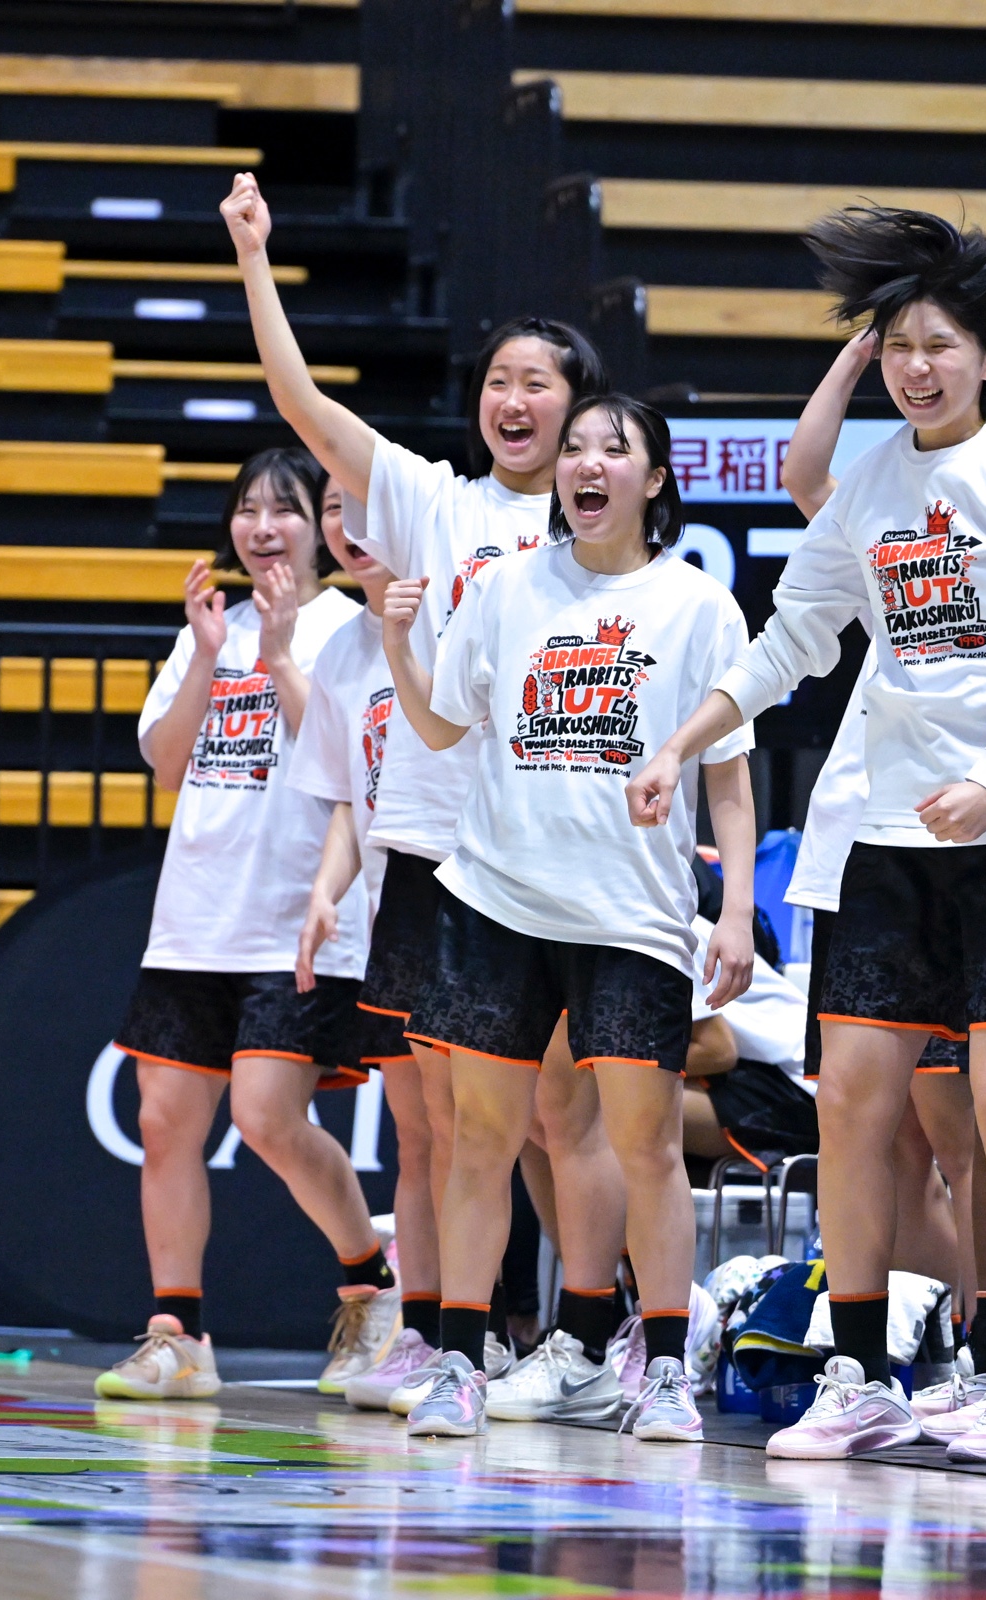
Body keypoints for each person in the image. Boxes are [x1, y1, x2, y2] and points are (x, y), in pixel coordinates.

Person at [630, 207, 986, 1462]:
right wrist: (687, 736)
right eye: (898, 345)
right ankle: (858, 1372)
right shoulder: (868, 490)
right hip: (890, 844)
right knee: (852, 1095)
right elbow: (793, 636)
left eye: (939, 345)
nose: (916, 366)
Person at [224, 171, 612, 1376]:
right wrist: (254, 256)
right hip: (429, 854)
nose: (513, 398)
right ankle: (448, 1341)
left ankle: (596, 1334)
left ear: (579, 409)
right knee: (433, 1122)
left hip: (552, 857)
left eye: (536, 382)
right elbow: (299, 402)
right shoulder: (433, 501)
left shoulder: (603, 531)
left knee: (557, 1113)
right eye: (498, 379)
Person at [389, 394, 760, 1444]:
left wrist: (735, 909)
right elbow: (440, 725)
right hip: (496, 900)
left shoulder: (699, 605)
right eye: (577, 448)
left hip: (631, 916)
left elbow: (728, 779)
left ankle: (665, 1370)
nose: (588, 463)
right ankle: (459, 1363)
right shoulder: (506, 588)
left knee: (646, 1145)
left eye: (614, 449)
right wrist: (399, 641)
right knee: (479, 1140)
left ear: (655, 479)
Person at [96, 448, 378, 1401]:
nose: (262, 527)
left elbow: (343, 764)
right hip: (194, 920)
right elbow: (168, 765)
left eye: (284, 509)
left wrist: (284, 652)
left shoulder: (350, 628)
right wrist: (211, 653)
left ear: (321, 530)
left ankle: (369, 1281)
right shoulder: (209, 632)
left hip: (297, 918)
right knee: (164, 1121)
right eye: (248, 509)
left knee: (266, 1117)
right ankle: (177, 1334)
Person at [288, 480, 432, 1399]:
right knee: (422, 1141)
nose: (351, 527)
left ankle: (591, 1320)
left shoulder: (454, 607)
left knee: (534, 1130)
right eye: (336, 508)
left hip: (480, 904)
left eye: (368, 503)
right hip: (395, 920)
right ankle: (433, 1334)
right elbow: (350, 798)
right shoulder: (345, 647)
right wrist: (326, 892)